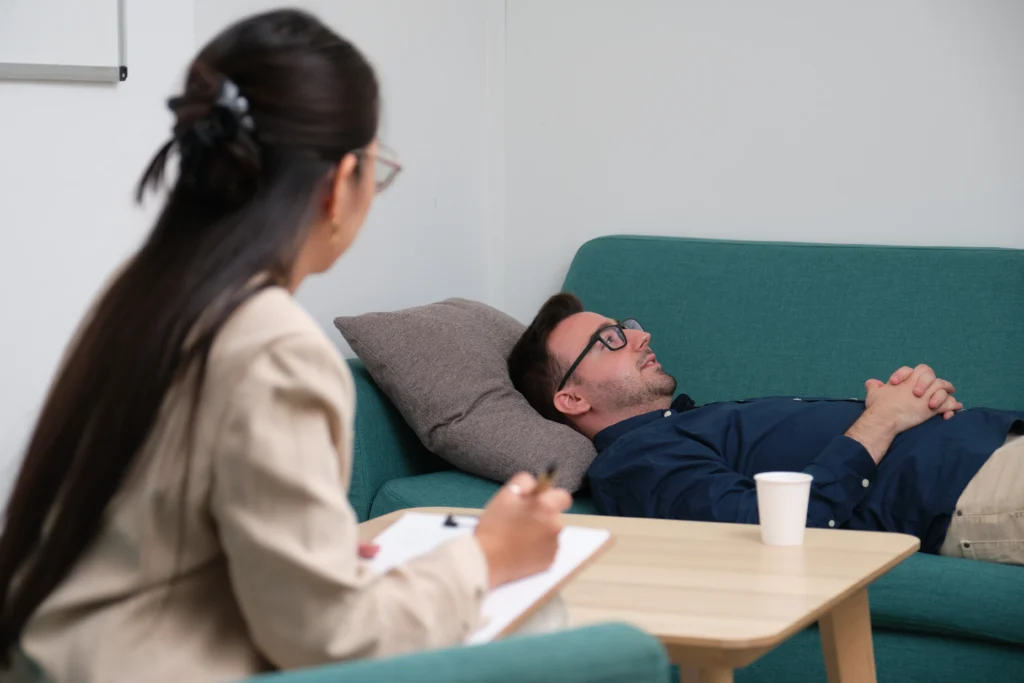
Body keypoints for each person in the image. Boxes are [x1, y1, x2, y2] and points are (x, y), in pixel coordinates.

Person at [0, 10, 572, 683]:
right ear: (339, 183)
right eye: (377, 169)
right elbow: (330, 639)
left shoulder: (143, 295)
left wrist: (319, 558)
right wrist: (487, 555)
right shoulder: (274, 347)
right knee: (538, 615)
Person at [508, 292, 1024, 564]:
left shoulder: (685, 424)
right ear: (571, 398)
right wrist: (883, 420)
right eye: (610, 339)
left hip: (990, 443)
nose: (641, 337)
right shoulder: (635, 462)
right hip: (972, 489)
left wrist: (912, 403)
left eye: (629, 326)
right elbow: (772, 529)